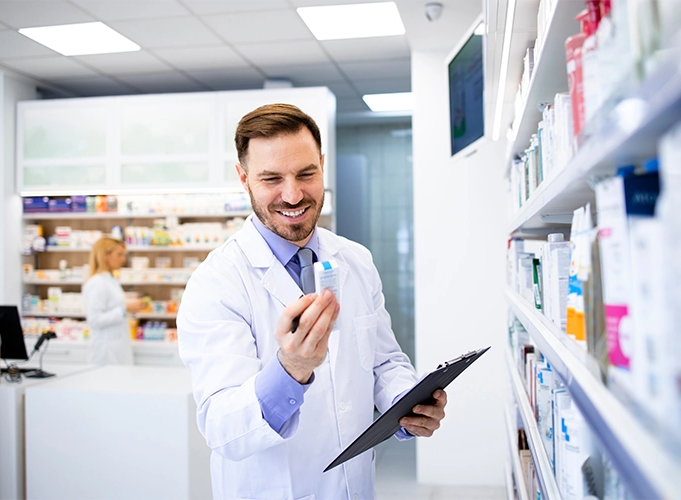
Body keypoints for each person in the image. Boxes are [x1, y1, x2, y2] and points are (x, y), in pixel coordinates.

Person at [178, 103, 447, 499]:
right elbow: (224, 429)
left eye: (306, 173)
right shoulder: (215, 283)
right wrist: (291, 370)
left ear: (322, 165)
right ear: (244, 178)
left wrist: (406, 405)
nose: (293, 195)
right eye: (271, 178)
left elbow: (384, 361)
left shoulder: (355, 260)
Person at [83, 237, 142, 365]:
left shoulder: (110, 280)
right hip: (106, 353)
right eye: (119, 254)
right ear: (105, 256)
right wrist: (124, 309)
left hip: (117, 348)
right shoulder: (97, 282)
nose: (123, 259)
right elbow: (94, 320)